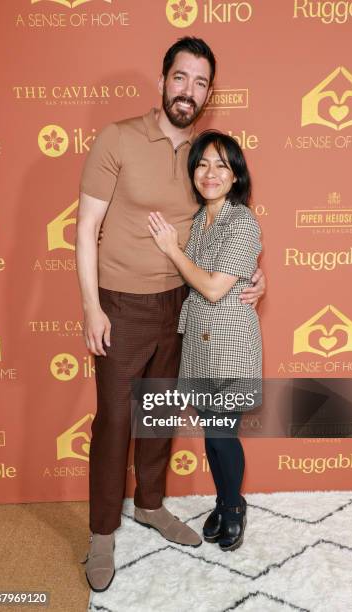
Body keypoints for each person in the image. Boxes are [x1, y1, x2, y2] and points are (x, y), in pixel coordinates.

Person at [76, 37, 265, 592]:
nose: (189, 90)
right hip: (120, 302)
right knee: (115, 420)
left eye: (200, 82)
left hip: (182, 308)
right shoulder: (117, 137)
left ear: (209, 92)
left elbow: (226, 219)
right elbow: (86, 229)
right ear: (163, 81)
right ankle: (102, 534)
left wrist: (256, 272)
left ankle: (151, 505)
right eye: (180, 78)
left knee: (156, 414)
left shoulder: (204, 153)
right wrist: (91, 305)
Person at [148, 130, 262, 552]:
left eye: (221, 165)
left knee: (220, 434)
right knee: (212, 432)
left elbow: (214, 288)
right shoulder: (197, 220)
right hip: (197, 342)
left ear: (235, 176)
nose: (210, 173)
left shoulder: (243, 221)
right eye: (202, 164)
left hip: (230, 344)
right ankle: (223, 500)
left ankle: (234, 507)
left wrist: (171, 249)